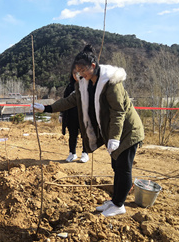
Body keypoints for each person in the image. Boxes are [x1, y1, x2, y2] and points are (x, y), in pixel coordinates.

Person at [33, 45, 144, 217]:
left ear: (93, 66)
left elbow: (118, 111)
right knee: (116, 166)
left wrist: (114, 137)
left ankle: (120, 205)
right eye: (77, 71)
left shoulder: (111, 82)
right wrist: (47, 108)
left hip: (127, 130)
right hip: (115, 130)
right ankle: (115, 201)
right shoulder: (84, 84)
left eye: (82, 70)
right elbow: (71, 100)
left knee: (123, 167)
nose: (80, 74)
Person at [60, 71, 88, 163]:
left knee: (85, 135)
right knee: (72, 135)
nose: (76, 75)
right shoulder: (69, 87)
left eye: (78, 73)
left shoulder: (87, 85)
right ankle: (72, 153)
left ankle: (85, 153)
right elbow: (64, 101)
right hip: (71, 116)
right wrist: (61, 114)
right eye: (74, 73)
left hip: (84, 116)